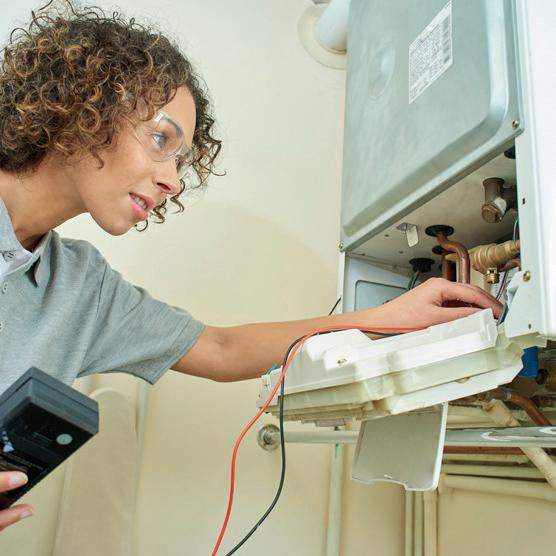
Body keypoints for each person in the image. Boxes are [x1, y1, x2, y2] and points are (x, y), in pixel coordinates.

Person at [0, 0, 501, 533]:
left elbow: (220, 349)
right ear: (80, 106)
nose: (173, 181)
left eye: (181, 160)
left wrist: (387, 319)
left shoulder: (80, 288)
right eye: (160, 139)